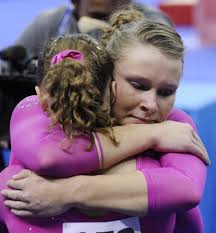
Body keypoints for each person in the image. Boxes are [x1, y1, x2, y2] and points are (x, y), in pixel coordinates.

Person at [1, 9, 208, 233]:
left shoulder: (176, 123)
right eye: (138, 85)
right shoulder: (39, 109)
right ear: (107, 78)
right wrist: (154, 135)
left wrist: (64, 193)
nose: (151, 104)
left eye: (166, 92)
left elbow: (185, 190)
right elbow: (47, 156)